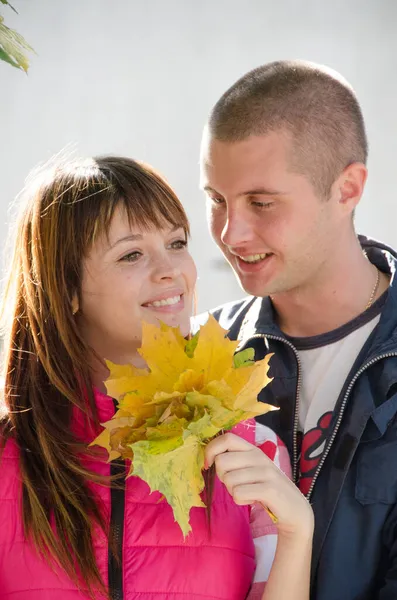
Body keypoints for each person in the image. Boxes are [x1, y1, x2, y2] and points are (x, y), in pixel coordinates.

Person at [0, 155, 313, 600]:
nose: (171, 271)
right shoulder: (8, 453)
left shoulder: (252, 449)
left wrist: (297, 531)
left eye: (176, 242)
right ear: (65, 288)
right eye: (131, 254)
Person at [199, 58, 397, 600]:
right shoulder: (196, 354)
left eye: (261, 203)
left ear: (348, 188)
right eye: (216, 200)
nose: (231, 233)